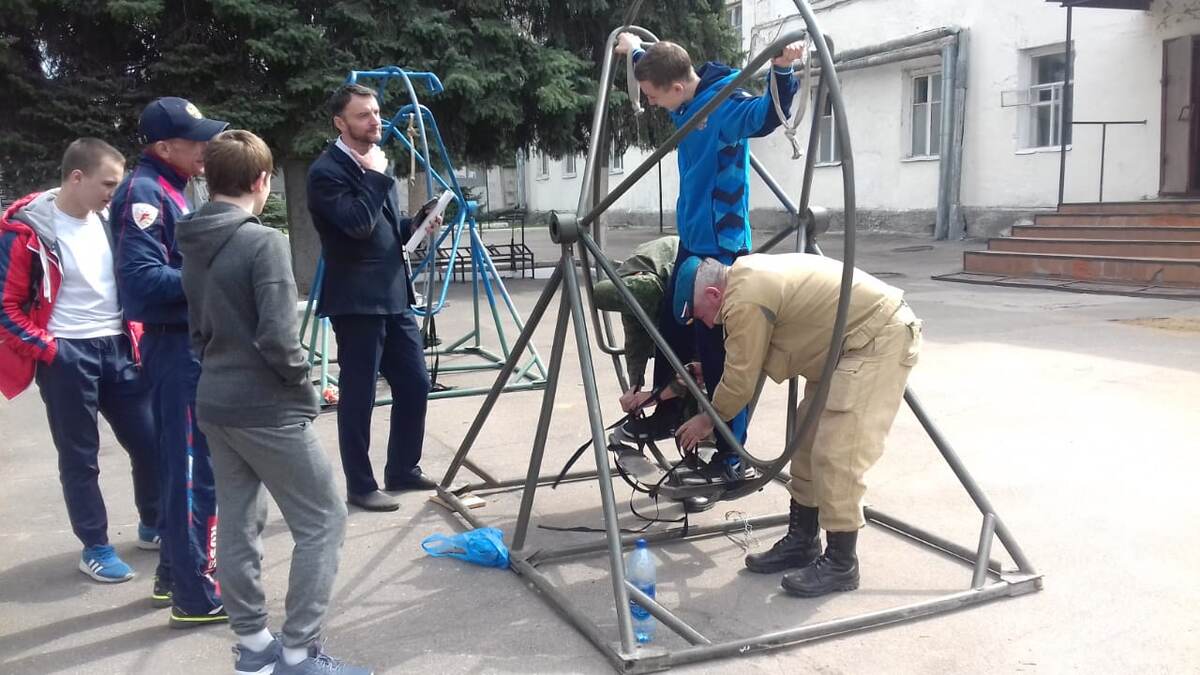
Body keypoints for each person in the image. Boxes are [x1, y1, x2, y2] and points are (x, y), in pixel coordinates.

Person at [178, 129, 369, 675]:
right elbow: (280, 339)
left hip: (215, 399)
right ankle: (297, 652)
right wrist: (305, 385)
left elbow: (197, 330)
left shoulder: (189, 239)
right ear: (262, 182)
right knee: (323, 520)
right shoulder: (263, 241)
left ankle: (255, 645)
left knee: (240, 520)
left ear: (208, 178)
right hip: (268, 405)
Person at [612, 33, 805, 482]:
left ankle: (730, 455)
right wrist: (632, 48)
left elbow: (764, 117)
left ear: (677, 88)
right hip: (692, 244)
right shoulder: (682, 96)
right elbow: (657, 62)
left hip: (721, 251)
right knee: (673, 331)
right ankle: (668, 411)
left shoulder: (722, 105)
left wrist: (781, 70)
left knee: (719, 355)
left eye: (655, 97)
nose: (655, 105)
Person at [673, 253, 923, 597]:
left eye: (696, 313)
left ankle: (841, 562)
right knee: (804, 444)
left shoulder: (744, 298)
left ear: (714, 295)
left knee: (838, 453)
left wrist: (708, 419)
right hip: (844, 348)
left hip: (874, 340)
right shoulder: (745, 280)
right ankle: (803, 541)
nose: (701, 322)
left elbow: (741, 379)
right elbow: (753, 354)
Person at [0, 138, 162, 583]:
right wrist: (52, 350)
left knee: (151, 442)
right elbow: (5, 307)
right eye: (108, 183)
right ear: (77, 177)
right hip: (66, 354)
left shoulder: (111, 220)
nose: (116, 191)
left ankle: (153, 524)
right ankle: (95, 547)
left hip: (119, 347)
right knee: (80, 457)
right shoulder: (24, 230)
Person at [110, 96, 229, 627]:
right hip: (173, 347)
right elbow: (139, 280)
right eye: (196, 138)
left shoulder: (171, 188)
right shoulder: (145, 194)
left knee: (188, 468)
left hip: (185, 345)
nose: (206, 146)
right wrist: (215, 276)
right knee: (190, 472)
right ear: (165, 146)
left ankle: (172, 575)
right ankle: (194, 595)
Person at [307, 83, 438, 513]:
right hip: (357, 302)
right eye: (363, 115)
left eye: (376, 112)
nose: (375, 120)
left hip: (394, 296)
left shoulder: (375, 162)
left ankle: (402, 468)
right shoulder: (327, 172)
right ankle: (360, 486)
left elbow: (385, 227)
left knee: (416, 382)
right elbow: (357, 225)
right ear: (340, 123)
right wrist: (377, 177)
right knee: (359, 394)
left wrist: (416, 223)